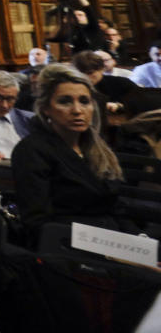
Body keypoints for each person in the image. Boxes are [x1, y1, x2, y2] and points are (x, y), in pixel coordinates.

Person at [11, 64, 131, 241]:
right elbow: (37, 223)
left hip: (114, 239)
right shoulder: (31, 150)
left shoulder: (97, 147)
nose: (77, 110)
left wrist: (139, 245)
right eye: (64, 101)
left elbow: (116, 206)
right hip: (69, 248)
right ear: (46, 109)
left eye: (84, 101)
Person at [73, 50, 138, 117]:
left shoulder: (121, 83)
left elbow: (141, 102)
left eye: (90, 73)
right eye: (81, 74)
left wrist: (119, 106)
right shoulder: (71, 86)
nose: (86, 77)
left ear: (102, 69)